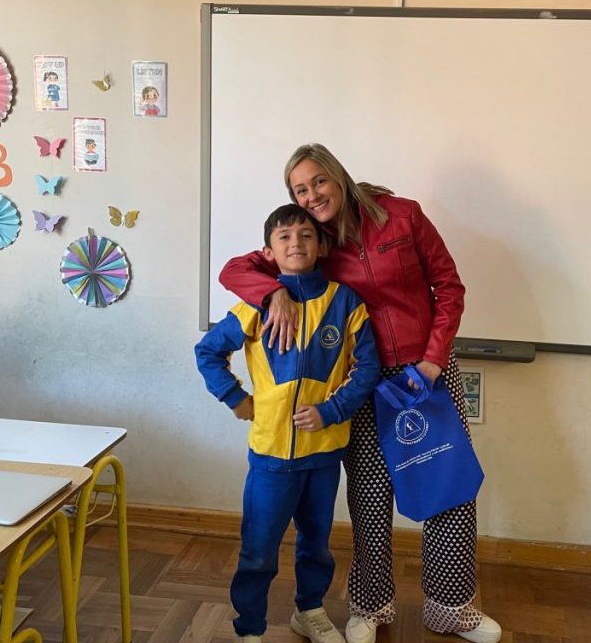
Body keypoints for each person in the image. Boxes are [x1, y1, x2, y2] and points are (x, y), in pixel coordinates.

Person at [219, 143, 502, 643]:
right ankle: (370, 606)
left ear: (338, 176)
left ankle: (451, 608)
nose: (312, 196)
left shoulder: (403, 215)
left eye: (318, 182)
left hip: (426, 374)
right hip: (361, 381)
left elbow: (448, 287)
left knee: (448, 490)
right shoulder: (313, 240)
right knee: (370, 495)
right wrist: (273, 292)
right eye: (300, 190)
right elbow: (234, 269)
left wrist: (434, 359)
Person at [197, 203, 380, 643]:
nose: (296, 243)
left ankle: (309, 611)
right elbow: (208, 352)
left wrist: (330, 411)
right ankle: (250, 629)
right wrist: (236, 398)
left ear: (321, 247)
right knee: (259, 549)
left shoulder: (345, 302)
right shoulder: (254, 305)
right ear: (269, 252)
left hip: (324, 453)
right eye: (284, 237)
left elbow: (367, 369)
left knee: (316, 544)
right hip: (271, 456)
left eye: (305, 235)